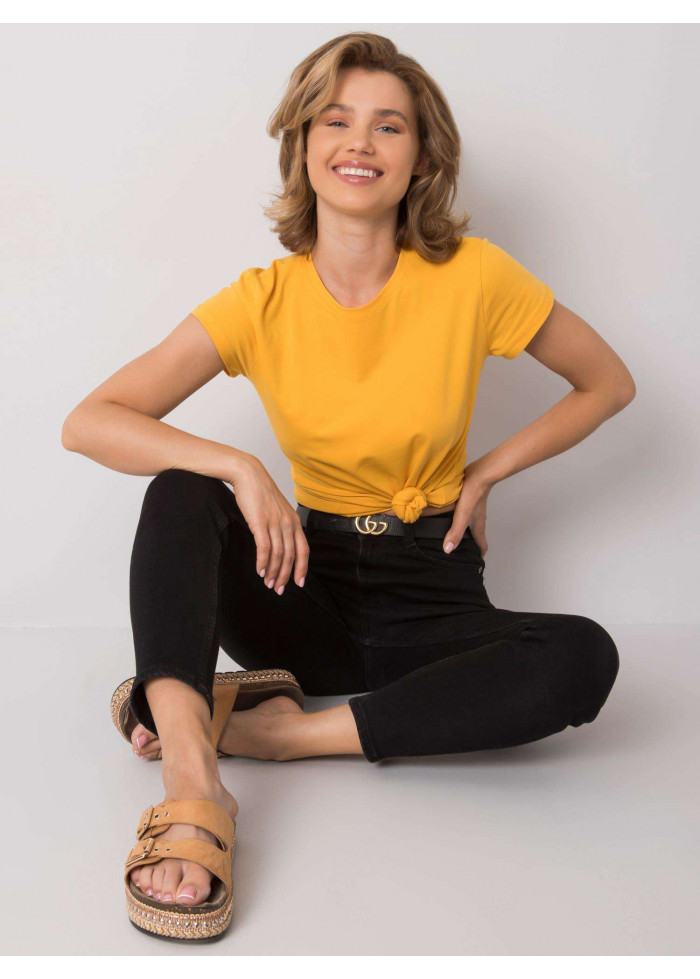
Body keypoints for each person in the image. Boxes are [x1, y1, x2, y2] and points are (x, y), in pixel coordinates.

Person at [62, 32, 635, 943]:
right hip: (301, 589)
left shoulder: (475, 277)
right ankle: (192, 779)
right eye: (335, 120)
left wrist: (488, 469)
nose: (360, 142)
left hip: (433, 589)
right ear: (302, 146)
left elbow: (607, 382)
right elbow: (91, 420)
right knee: (181, 486)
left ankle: (271, 731)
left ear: (422, 159)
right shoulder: (262, 299)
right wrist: (239, 465)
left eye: (388, 125)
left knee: (584, 656)